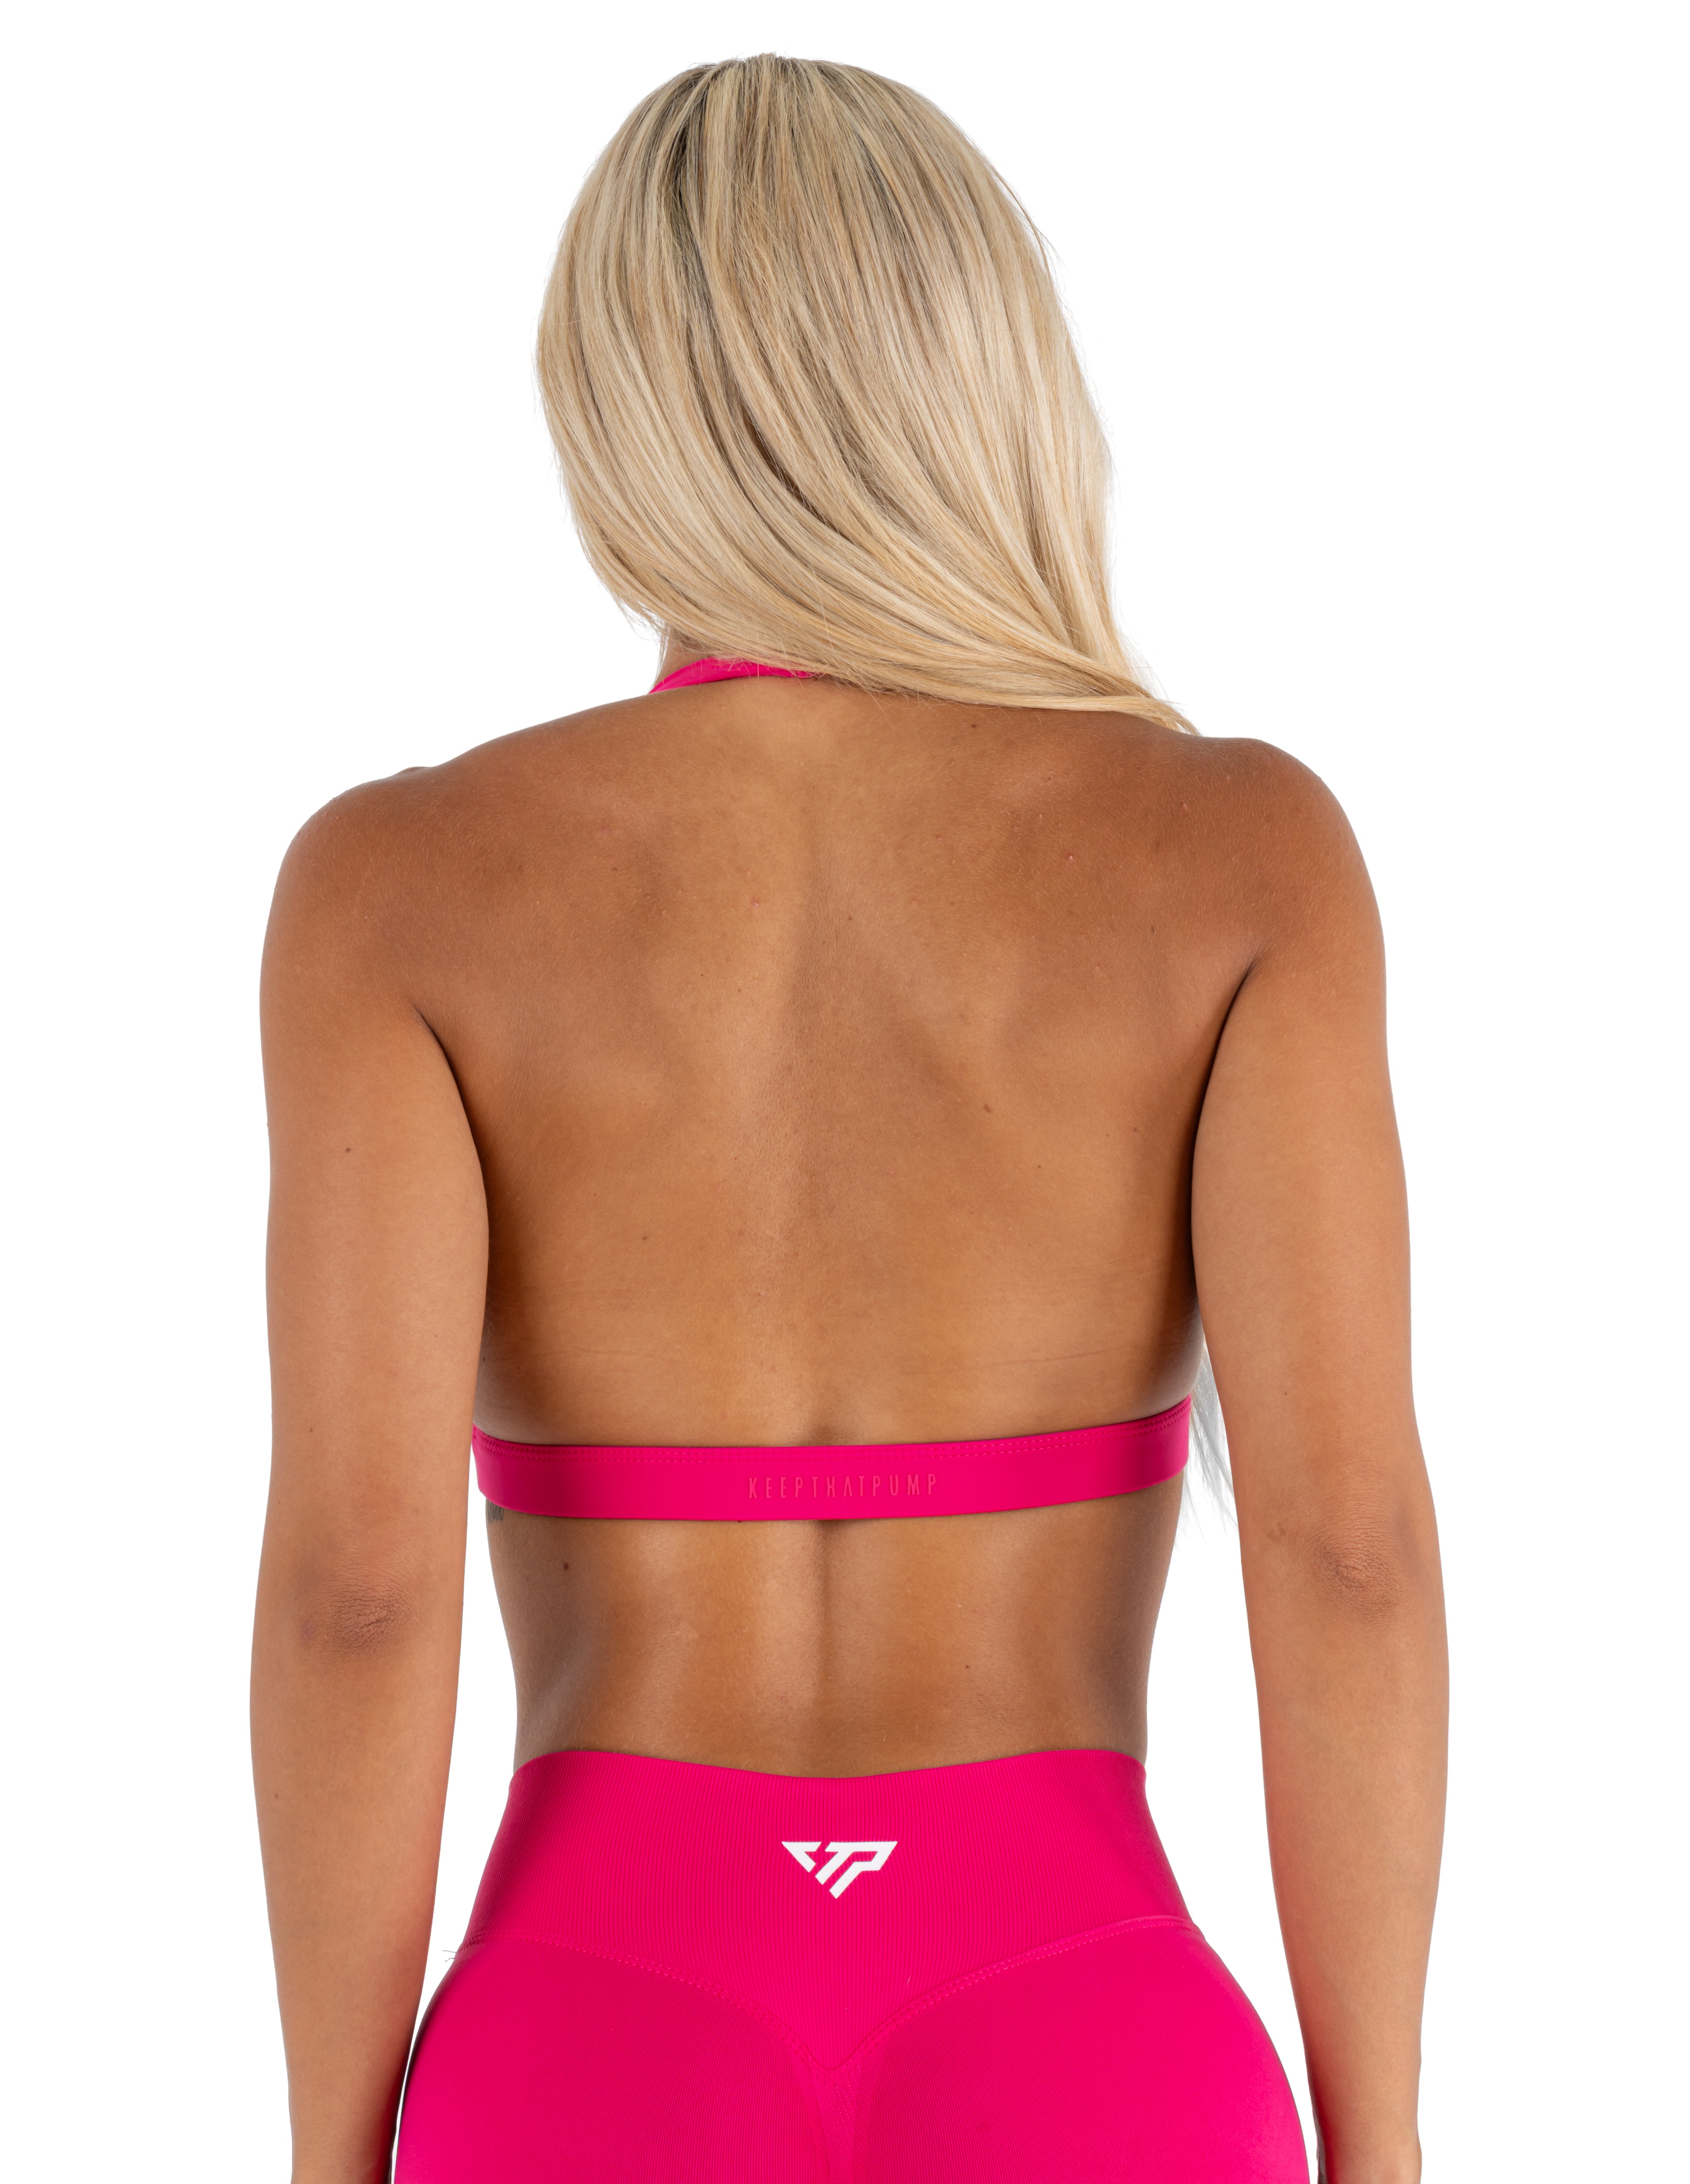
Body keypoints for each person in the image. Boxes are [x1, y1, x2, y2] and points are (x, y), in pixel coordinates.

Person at [252, 54, 1447, 2184]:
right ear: (986, 374)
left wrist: (333, 2155)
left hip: (594, 2023)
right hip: (1079, 2020)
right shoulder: (1238, 854)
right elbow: (1344, 1549)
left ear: (614, 406)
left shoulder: (399, 884)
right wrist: (1385, 2143)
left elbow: (358, 1586)